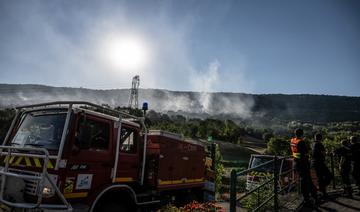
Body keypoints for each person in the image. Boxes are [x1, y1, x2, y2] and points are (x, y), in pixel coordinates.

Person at [290, 128, 318, 206]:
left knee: (304, 180)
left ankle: (310, 197)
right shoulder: (301, 142)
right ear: (302, 134)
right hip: (303, 163)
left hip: (296, 163)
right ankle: (310, 198)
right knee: (306, 181)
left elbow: (295, 152)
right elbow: (306, 152)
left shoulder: (292, 140)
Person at [311, 133, 332, 198]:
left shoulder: (312, 144)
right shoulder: (320, 144)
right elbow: (323, 153)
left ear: (315, 138)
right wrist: (328, 153)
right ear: (321, 138)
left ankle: (323, 192)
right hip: (320, 163)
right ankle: (321, 189)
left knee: (320, 177)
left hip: (314, 163)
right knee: (329, 176)